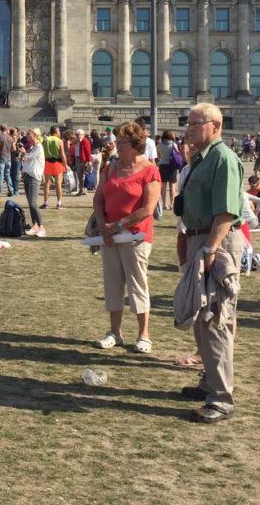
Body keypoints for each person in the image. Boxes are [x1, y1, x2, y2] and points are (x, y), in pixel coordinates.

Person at [175, 103, 244, 423]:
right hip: (198, 239)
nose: (188, 128)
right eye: (187, 123)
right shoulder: (202, 157)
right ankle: (208, 383)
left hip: (214, 242)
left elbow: (226, 212)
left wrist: (211, 249)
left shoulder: (223, 159)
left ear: (215, 126)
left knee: (216, 319)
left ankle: (221, 399)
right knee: (203, 317)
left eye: (195, 123)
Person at [91, 122, 161, 354]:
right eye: (117, 142)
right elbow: (98, 199)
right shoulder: (110, 168)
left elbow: (148, 209)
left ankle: (144, 334)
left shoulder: (149, 170)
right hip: (110, 236)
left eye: (122, 142)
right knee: (112, 285)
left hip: (135, 237)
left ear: (135, 144)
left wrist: (118, 226)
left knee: (137, 284)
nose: (117, 146)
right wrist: (103, 225)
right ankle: (115, 332)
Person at [20, 128, 46, 237]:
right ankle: (35, 225)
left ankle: (41, 227)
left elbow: (28, 157)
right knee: (30, 203)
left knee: (33, 203)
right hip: (27, 175)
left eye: (29, 134)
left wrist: (24, 153)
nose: (26, 135)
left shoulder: (38, 147)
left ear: (35, 135)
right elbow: (25, 159)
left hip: (34, 177)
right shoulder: (32, 147)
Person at [41, 125, 67, 209]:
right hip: (57, 163)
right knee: (58, 183)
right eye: (59, 131)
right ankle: (59, 203)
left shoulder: (45, 140)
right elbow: (62, 155)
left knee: (47, 183)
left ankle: (45, 203)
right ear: (56, 132)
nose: (59, 133)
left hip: (47, 163)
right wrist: (65, 165)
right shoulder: (59, 141)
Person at [156, 130, 179, 209]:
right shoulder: (174, 145)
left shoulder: (159, 145)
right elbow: (177, 154)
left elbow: (158, 156)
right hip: (172, 166)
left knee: (163, 185)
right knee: (172, 185)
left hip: (163, 165)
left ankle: (164, 204)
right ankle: (172, 204)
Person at [0, 124, 16, 198]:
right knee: (7, 174)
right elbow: (14, 149)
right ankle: (11, 190)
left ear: (0, 129)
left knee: (0, 175)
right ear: (7, 129)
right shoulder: (10, 138)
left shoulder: (0, 137)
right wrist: (8, 150)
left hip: (1, 156)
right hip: (8, 157)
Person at [74, 128, 92, 196]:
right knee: (80, 175)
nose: (77, 136)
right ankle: (83, 190)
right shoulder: (78, 141)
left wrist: (89, 161)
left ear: (82, 135)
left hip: (82, 160)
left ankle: (82, 190)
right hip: (77, 159)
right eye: (76, 134)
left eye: (78, 135)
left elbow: (88, 151)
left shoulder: (85, 141)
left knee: (81, 175)